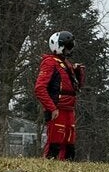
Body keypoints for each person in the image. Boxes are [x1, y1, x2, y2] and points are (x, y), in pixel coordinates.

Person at [34, 30, 85, 160]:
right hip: (57, 108)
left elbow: (77, 86)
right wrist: (52, 108)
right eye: (67, 47)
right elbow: (40, 88)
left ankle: (66, 168)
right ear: (59, 46)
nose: (70, 50)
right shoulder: (50, 62)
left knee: (69, 141)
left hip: (69, 108)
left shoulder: (66, 64)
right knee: (55, 140)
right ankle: (49, 167)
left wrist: (79, 72)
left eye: (71, 46)